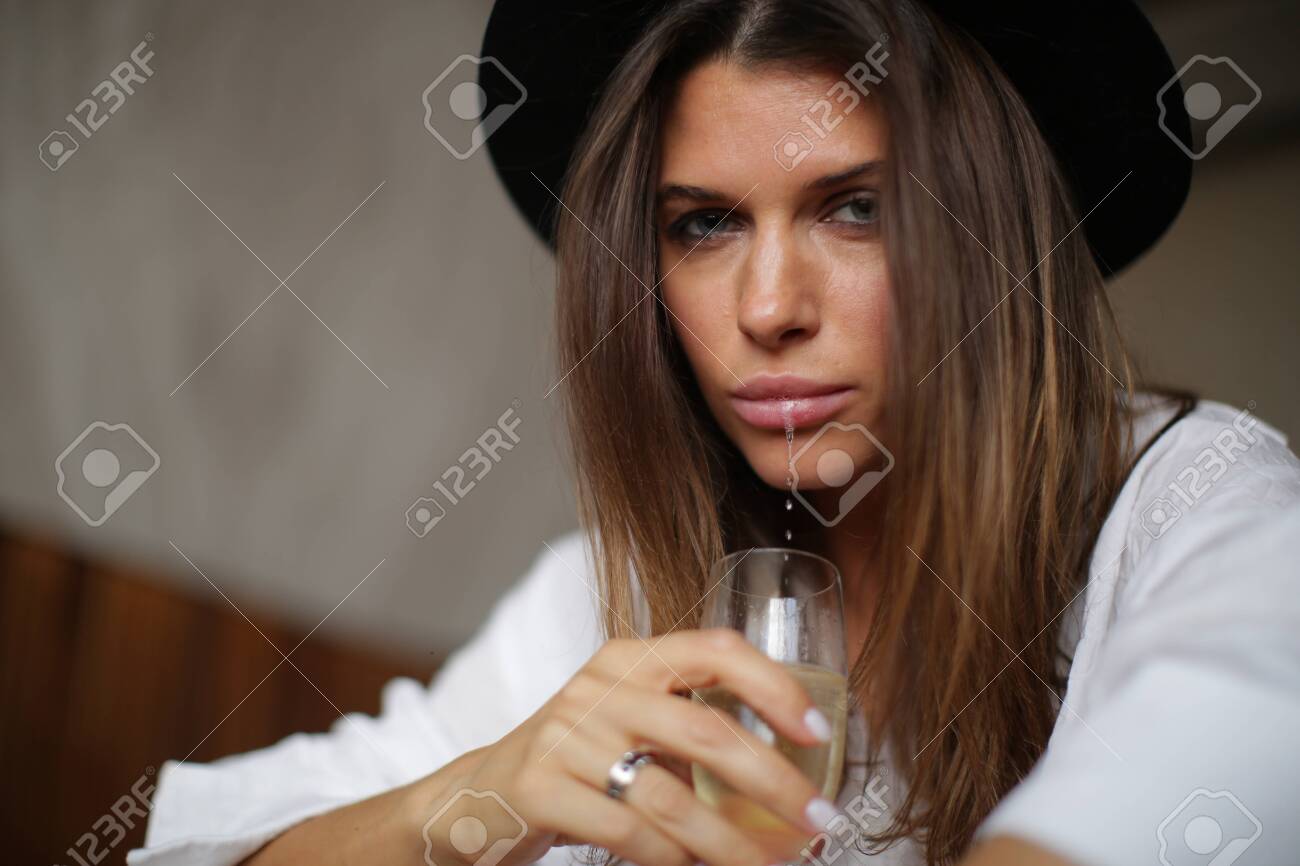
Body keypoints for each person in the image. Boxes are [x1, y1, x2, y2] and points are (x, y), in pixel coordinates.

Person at [128, 1, 1300, 865]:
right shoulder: (603, 589)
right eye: (702, 225)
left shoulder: (1188, 499)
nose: (767, 307)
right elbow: (228, 841)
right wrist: (478, 794)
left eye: (856, 208)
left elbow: (1242, 735)